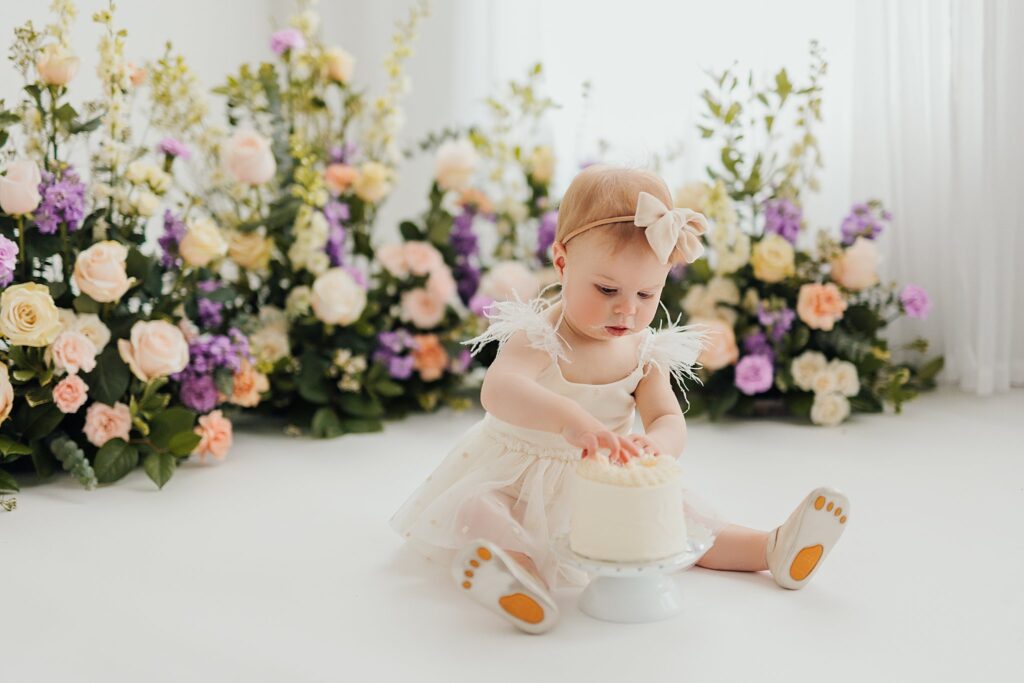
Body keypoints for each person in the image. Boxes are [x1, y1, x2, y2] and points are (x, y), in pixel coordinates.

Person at [391, 165, 849, 634]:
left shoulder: (643, 350)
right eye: (607, 289)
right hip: (514, 474)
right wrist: (569, 418)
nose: (627, 309)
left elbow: (667, 415)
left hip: (606, 482)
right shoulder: (539, 335)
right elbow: (499, 389)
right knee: (480, 508)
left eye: (647, 292)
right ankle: (521, 581)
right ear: (563, 261)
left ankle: (772, 549)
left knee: (679, 520)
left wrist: (659, 446)